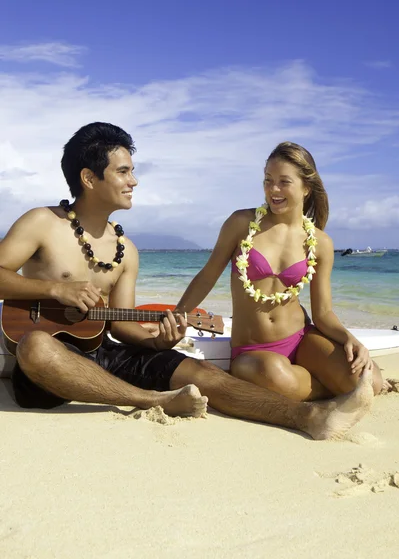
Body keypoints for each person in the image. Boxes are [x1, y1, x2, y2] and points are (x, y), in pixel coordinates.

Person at [0, 125, 374, 440]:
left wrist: (157, 340)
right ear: (88, 177)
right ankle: (155, 401)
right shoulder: (42, 222)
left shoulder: (125, 250)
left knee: (200, 372)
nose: (134, 180)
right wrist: (53, 289)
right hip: (49, 359)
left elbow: (121, 325)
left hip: (103, 353)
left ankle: (307, 418)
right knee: (36, 347)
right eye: (124, 171)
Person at [176, 141, 383, 402]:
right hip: (252, 350)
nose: (273, 189)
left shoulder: (320, 243)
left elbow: (323, 313)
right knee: (275, 374)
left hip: (300, 338)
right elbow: (208, 275)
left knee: (370, 381)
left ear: (307, 187)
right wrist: (177, 314)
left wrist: (349, 338)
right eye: (267, 180)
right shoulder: (242, 223)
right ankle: (326, 386)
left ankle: (320, 380)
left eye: (284, 182)